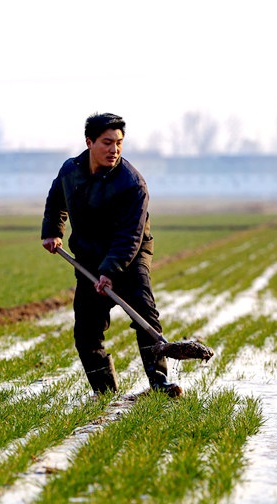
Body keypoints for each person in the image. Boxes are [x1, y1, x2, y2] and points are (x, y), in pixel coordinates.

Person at [41, 112, 182, 397]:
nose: (114, 150)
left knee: (145, 316)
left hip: (129, 257)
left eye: (119, 143)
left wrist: (110, 271)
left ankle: (159, 382)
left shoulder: (132, 184)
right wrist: (53, 230)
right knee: (86, 331)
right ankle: (105, 392)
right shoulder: (70, 171)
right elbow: (56, 201)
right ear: (89, 142)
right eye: (107, 142)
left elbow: (130, 236)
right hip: (89, 257)